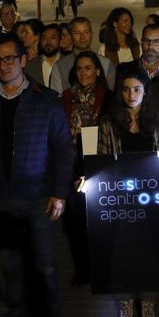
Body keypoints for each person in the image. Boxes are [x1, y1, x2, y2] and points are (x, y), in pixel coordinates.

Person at [0, 34, 74, 317]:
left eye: (10, 58)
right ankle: (19, 309)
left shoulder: (47, 100)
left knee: (44, 263)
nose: (4, 65)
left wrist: (59, 192)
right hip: (0, 198)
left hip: (39, 196)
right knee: (10, 262)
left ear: (24, 59)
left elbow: (63, 150)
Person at [98, 74, 159, 317]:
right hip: (121, 197)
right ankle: (126, 305)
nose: (131, 95)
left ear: (145, 91)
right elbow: (104, 160)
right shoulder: (109, 122)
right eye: (126, 90)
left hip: (151, 196)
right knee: (122, 252)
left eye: (137, 89)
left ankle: (148, 306)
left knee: (150, 252)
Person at [61, 51, 110, 285]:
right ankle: (82, 268)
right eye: (80, 68)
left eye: (88, 68)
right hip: (73, 163)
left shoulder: (107, 98)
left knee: (101, 218)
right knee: (77, 218)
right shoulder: (66, 97)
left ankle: (103, 265)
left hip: (100, 163)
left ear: (98, 71)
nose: (83, 73)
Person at [50, 17, 115, 95]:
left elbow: (112, 96)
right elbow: (55, 98)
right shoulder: (60, 66)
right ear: (70, 35)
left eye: (86, 32)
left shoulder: (106, 64)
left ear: (91, 34)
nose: (82, 37)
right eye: (77, 33)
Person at [24, 23, 64, 89]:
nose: (48, 42)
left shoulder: (69, 64)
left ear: (60, 41)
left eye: (53, 38)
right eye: (44, 38)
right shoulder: (30, 66)